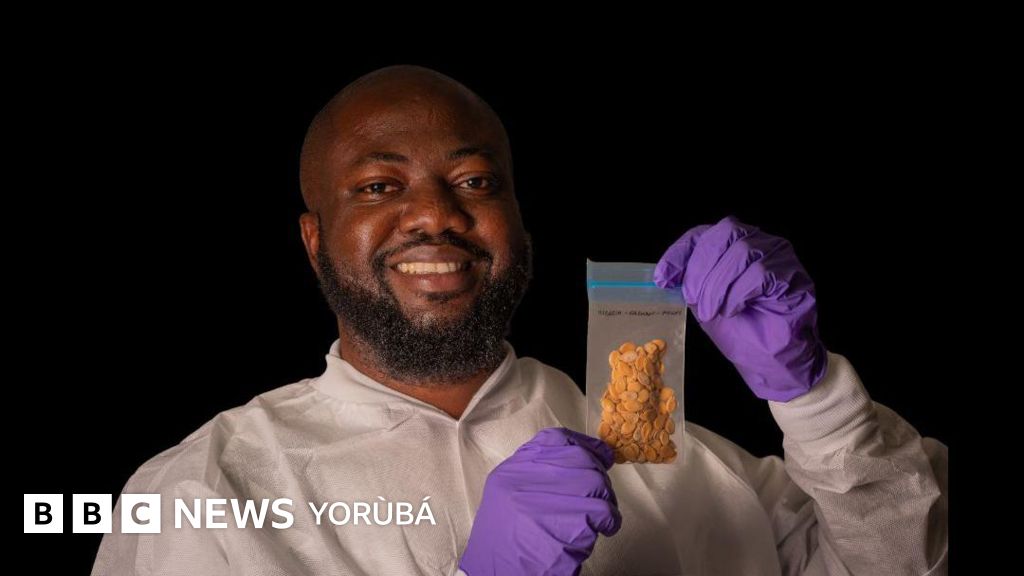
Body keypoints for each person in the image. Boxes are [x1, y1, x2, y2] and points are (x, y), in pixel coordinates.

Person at [92, 65, 948, 575]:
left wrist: (814, 398)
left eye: (474, 182)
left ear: (518, 227)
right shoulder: (202, 493)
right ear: (315, 239)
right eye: (380, 186)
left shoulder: (676, 459)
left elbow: (904, 564)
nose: (437, 215)